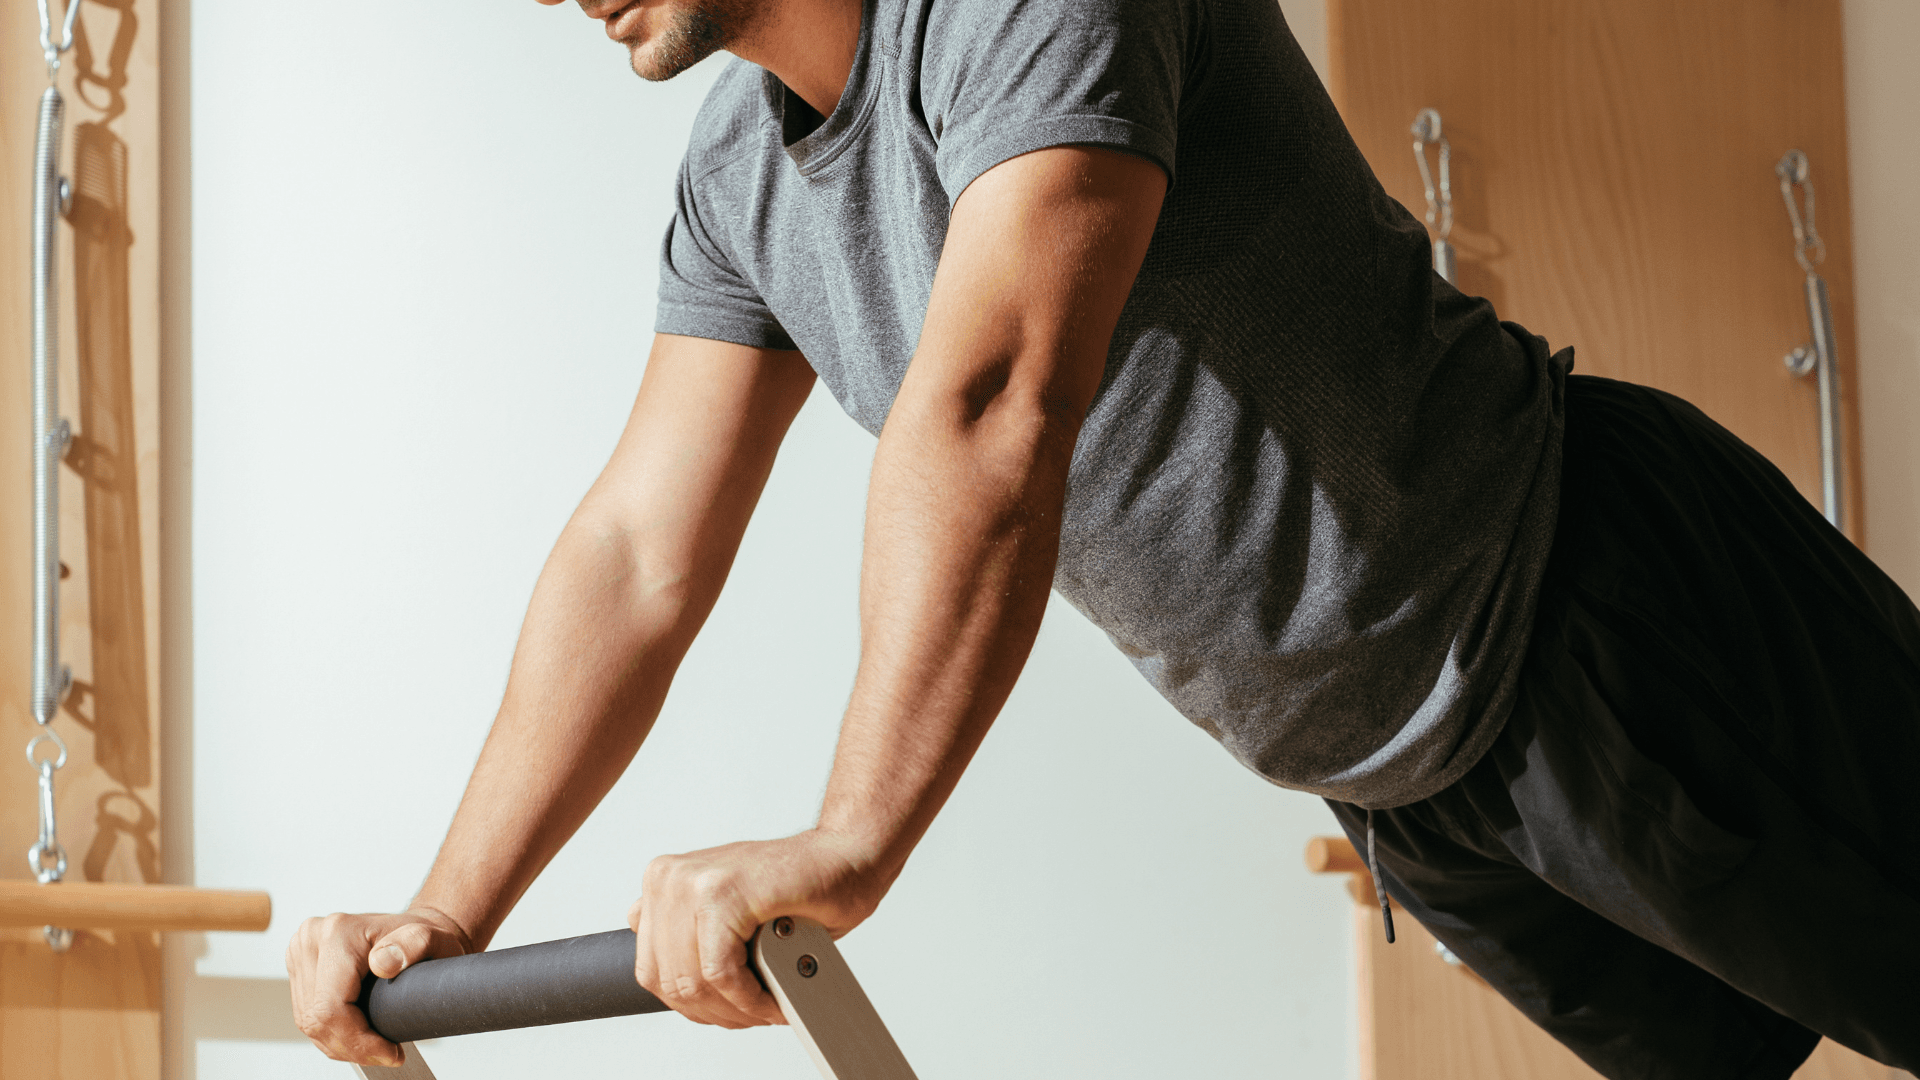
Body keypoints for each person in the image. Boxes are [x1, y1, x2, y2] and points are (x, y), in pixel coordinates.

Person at [286, 0, 1920, 1074]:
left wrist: (851, 837)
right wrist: (450, 914)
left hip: (1590, 614)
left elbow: (998, 397)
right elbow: (640, 548)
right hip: (1411, 787)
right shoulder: (738, 182)